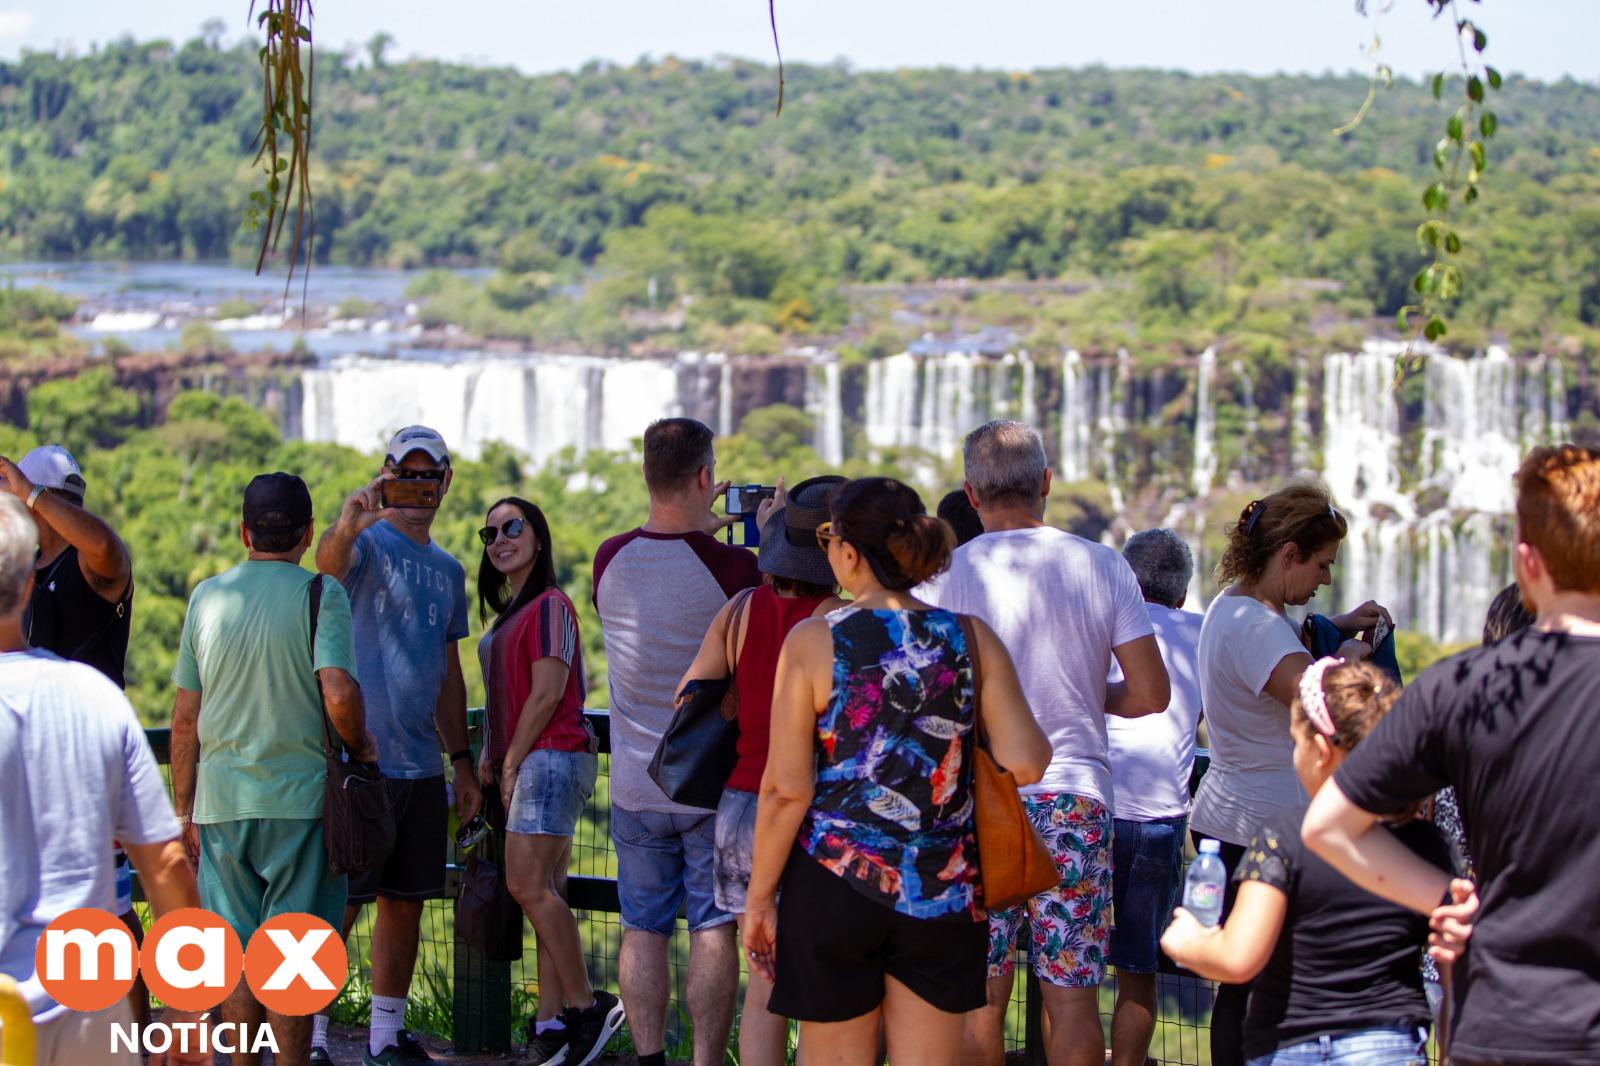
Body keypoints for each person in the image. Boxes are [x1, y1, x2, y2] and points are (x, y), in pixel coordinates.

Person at [1304, 444, 1600, 1066]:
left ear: (1527, 563)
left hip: (1501, 1018)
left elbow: (1329, 825)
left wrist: (1450, 898)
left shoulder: (1459, 687)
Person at [743, 476, 1051, 1066]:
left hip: (833, 880)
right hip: (944, 887)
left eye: (831, 535)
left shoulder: (813, 641)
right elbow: (1028, 760)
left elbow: (786, 789)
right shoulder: (970, 637)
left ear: (849, 553)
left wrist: (759, 900)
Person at [916, 420, 1170, 1066]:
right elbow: (1151, 693)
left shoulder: (943, 577)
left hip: (979, 803)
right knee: (1072, 1002)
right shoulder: (1104, 565)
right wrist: (1087, 695)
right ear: (1047, 484)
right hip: (1076, 800)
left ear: (971, 496)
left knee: (981, 1000)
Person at [170, 472, 377, 1066]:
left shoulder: (206, 597)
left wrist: (184, 809)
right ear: (310, 534)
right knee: (292, 952)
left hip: (221, 803)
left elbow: (186, 719)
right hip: (301, 803)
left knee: (233, 951)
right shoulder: (322, 593)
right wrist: (361, 747)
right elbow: (337, 692)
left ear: (243, 533)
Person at [0, 493, 206, 1066]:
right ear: (26, 590)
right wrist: (189, 1010)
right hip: (90, 1006)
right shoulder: (96, 698)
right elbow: (166, 865)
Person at [1161, 658, 1447, 1065]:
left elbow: (1238, 958)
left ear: (1320, 750)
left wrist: (1185, 940)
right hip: (1388, 1044)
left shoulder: (1286, 836)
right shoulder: (1426, 843)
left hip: (1289, 1045)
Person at [1188, 481, 1386, 1066]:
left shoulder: (1235, 605)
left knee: (1243, 982)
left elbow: (1277, 651)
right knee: (1261, 987)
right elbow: (1322, 705)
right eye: (1321, 564)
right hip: (1261, 826)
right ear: (1289, 554)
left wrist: (1334, 625)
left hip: (1230, 814)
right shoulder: (1257, 629)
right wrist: (1350, 661)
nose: (1324, 579)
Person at [591, 417, 763, 1066]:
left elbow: (670, 561)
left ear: (646, 475)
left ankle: (646, 1057)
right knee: (712, 930)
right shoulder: (735, 567)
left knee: (643, 930)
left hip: (637, 785)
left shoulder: (610, 558)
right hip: (710, 787)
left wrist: (703, 531)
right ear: (704, 478)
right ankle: (706, 1060)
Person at [314, 426, 482, 1066]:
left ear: (445, 482)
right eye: (405, 474)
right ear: (386, 473)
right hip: (360, 759)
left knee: (404, 905)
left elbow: (450, 675)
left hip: (419, 764)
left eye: (428, 475)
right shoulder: (365, 547)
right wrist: (349, 521)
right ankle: (315, 1034)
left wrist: (460, 762)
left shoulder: (449, 570)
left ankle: (385, 1035)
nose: (418, 487)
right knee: (342, 905)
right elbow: (324, 570)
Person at [677, 475, 847, 1066]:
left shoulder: (741, 608)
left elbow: (688, 692)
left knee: (765, 981)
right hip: (811, 807)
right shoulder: (837, 618)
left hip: (739, 804)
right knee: (822, 984)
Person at [0, 445, 149, 1028]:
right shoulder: (27, 578)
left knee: (110, 916)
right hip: (34, 761)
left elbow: (109, 550)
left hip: (86, 763)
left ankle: (132, 1039)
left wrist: (30, 493)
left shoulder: (89, 570)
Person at [474, 497, 623, 1066]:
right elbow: (504, 696)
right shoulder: (515, 610)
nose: (500, 539)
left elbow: (547, 692)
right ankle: (551, 1024)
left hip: (549, 758)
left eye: (513, 527)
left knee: (526, 886)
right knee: (548, 895)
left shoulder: (552, 606)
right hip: (529, 759)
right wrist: (493, 752)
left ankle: (588, 1010)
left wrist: (509, 760)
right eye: (490, 533)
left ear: (539, 536)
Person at [1105, 528, 1204, 1066]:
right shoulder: (1204, 633)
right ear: (1183, 594)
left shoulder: (1102, 625)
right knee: (1137, 973)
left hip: (1089, 810)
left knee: (1062, 970)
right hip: (1159, 821)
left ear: (1125, 579)